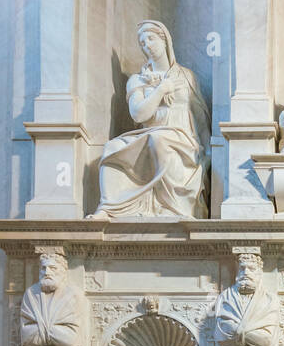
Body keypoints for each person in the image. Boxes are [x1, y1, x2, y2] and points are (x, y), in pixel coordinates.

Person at [89, 20, 210, 220]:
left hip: (182, 139)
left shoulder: (187, 77)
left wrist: (209, 152)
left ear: (165, 42)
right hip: (148, 134)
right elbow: (139, 114)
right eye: (143, 43)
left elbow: (200, 117)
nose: (147, 46)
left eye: (151, 39)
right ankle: (108, 208)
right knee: (112, 147)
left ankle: (171, 208)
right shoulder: (137, 80)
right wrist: (161, 89)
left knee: (159, 140)